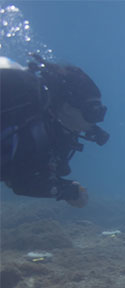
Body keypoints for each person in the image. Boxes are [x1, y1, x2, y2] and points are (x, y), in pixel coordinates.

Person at [0, 54, 110, 207]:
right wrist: (64, 190)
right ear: (66, 108)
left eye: (101, 112)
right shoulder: (26, 121)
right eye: (92, 111)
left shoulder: (54, 126)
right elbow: (19, 179)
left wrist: (64, 189)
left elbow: (22, 178)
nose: (98, 120)